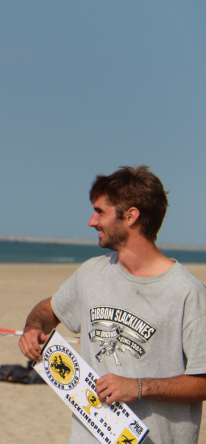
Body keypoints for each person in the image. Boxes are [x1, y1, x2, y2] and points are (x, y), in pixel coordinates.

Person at [18, 166, 206, 444]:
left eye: (100, 212)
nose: (91, 221)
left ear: (131, 216)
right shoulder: (91, 272)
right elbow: (49, 309)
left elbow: (202, 383)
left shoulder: (188, 292)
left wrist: (138, 387)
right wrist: (33, 328)